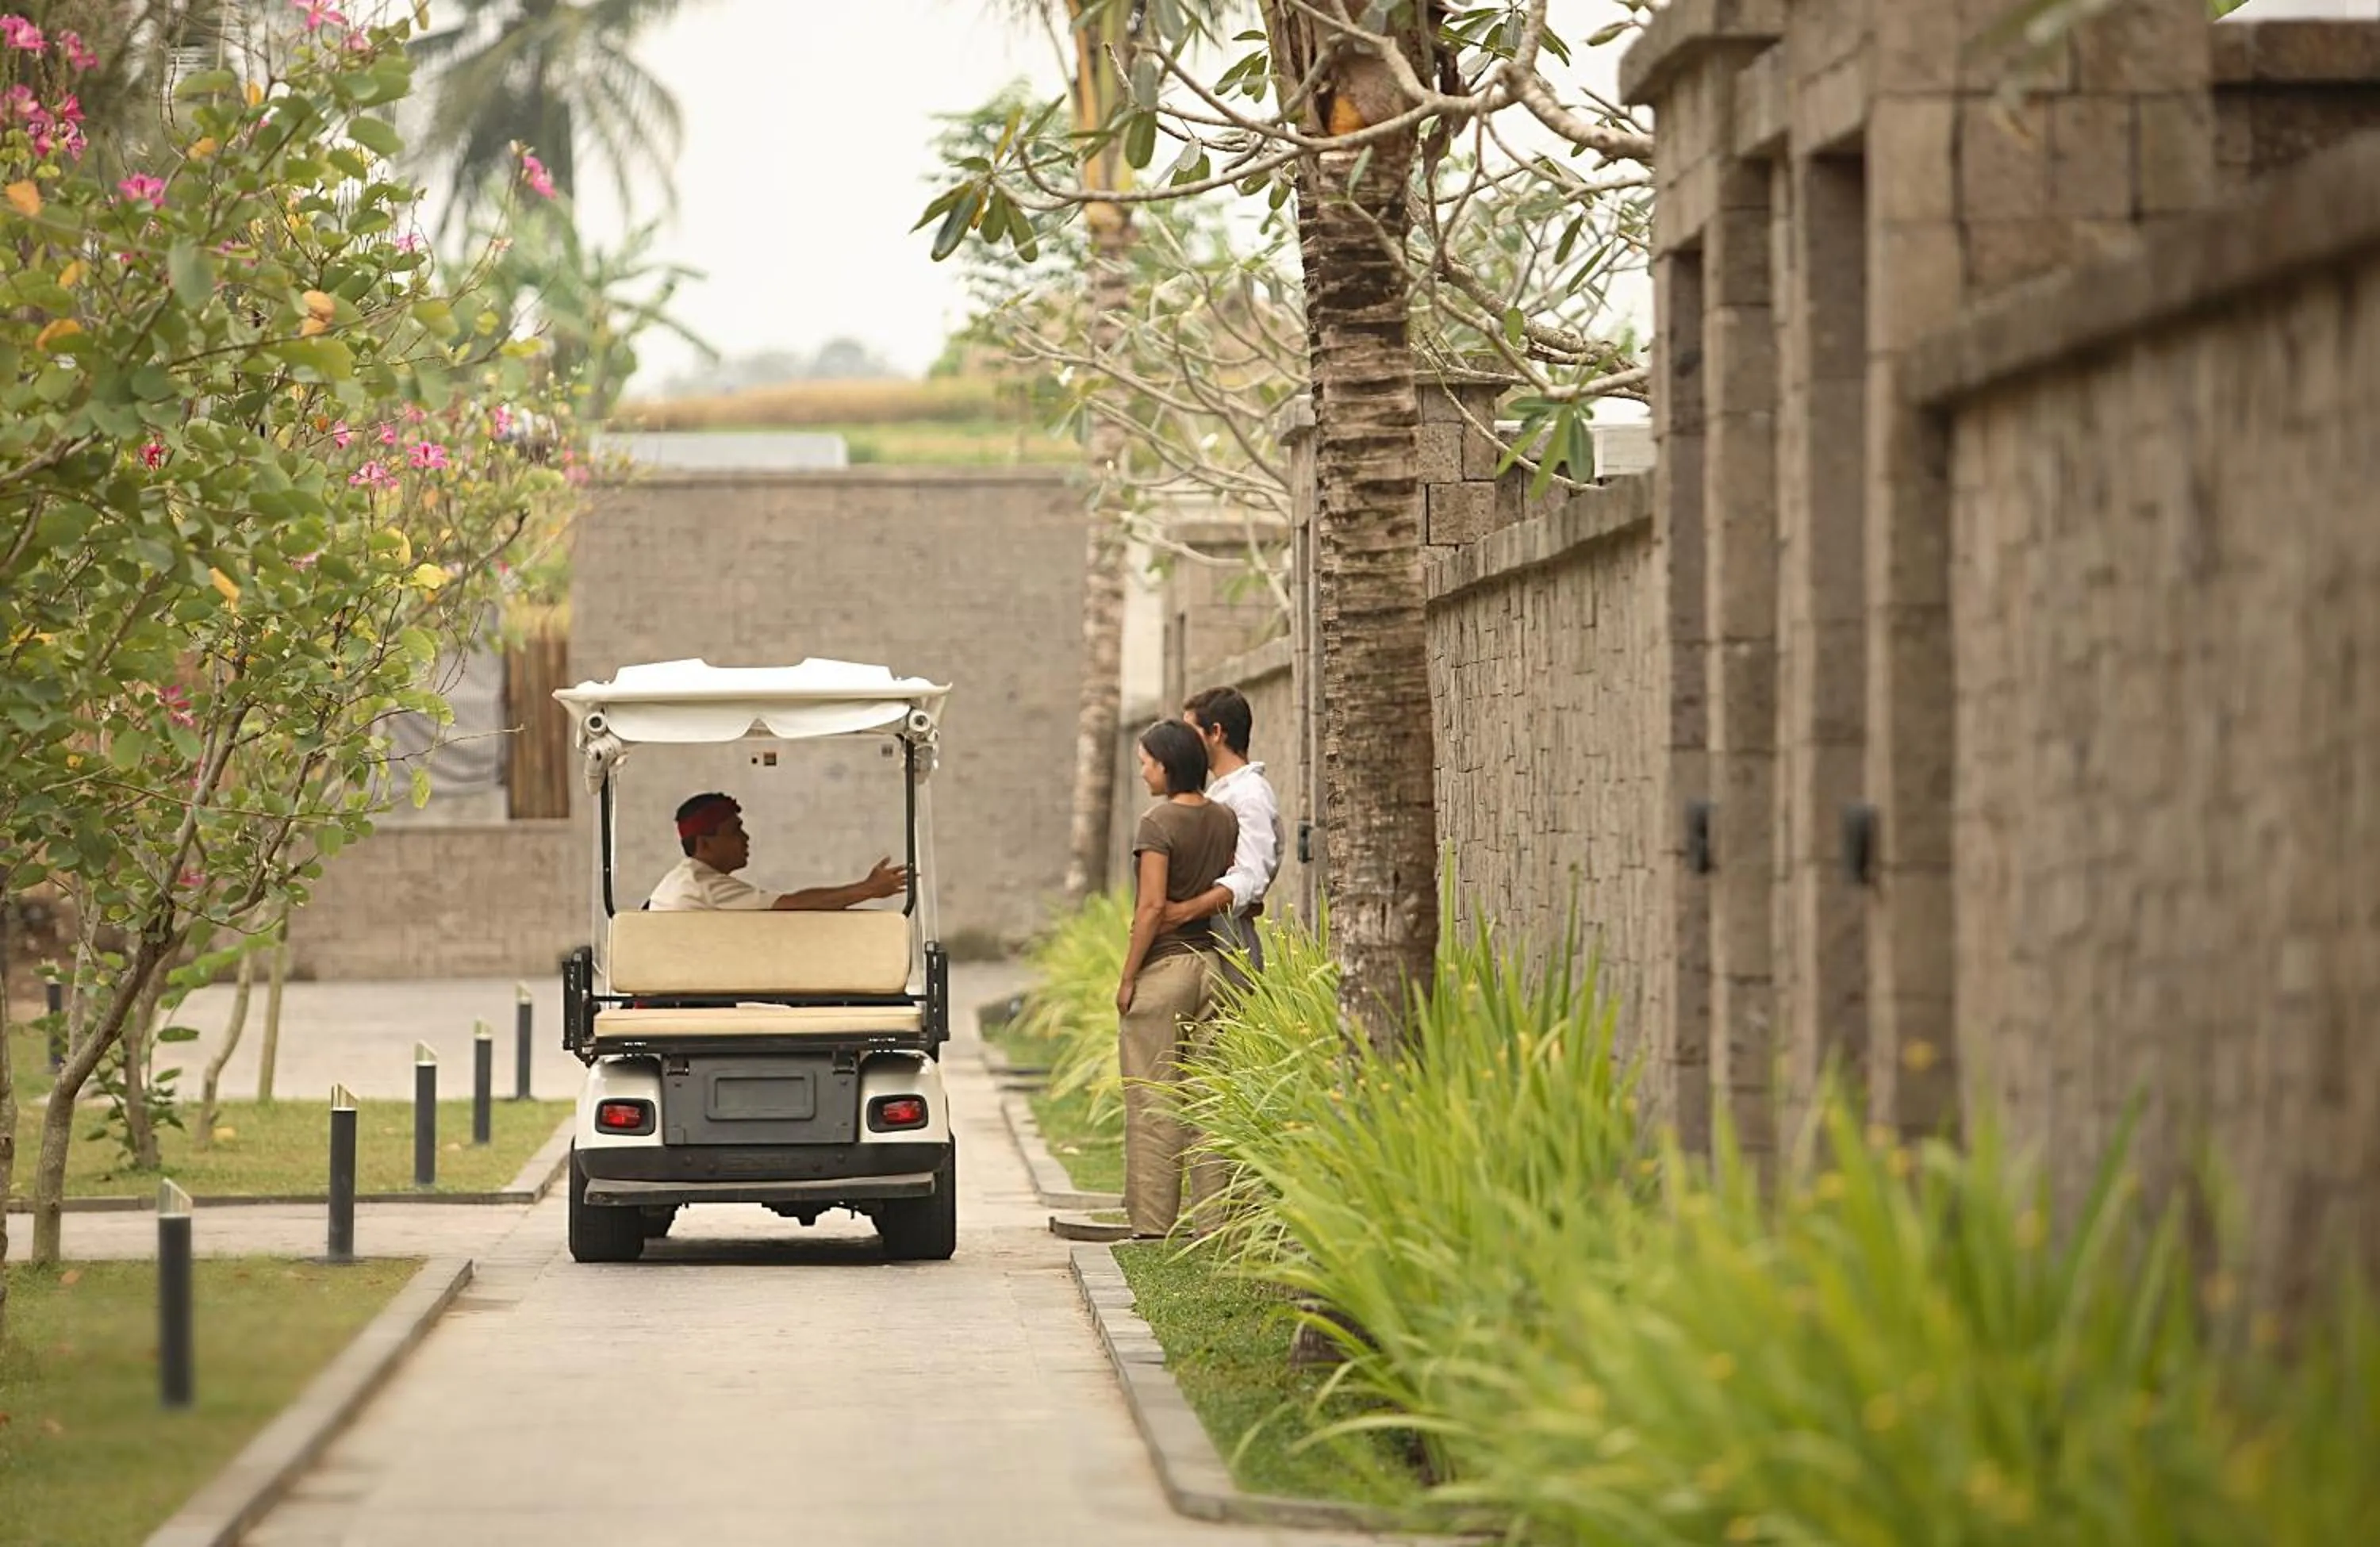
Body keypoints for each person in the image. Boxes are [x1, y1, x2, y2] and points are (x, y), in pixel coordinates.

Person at [1115, 720, 1240, 1238]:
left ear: (1166, 766)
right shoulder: (1225, 818)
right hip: (1214, 967)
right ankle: (1215, 1224)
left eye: (1146, 763)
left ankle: (1152, 1224)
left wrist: (1127, 977)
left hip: (1166, 969)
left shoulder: (1157, 822)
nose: (1142, 772)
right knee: (1207, 1096)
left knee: (1153, 1096)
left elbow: (1151, 908)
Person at [1161, 687, 1284, 975]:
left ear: (1216, 732)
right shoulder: (1220, 791)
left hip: (1230, 951)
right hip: (1204, 947)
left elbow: (1249, 879)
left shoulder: (1250, 795)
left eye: (1191, 733)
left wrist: (1181, 912)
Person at [647, 792, 908, 912]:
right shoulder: (703, 886)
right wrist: (869, 889)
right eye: (735, 831)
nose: (746, 838)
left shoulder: (685, 880)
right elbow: (792, 905)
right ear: (704, 844)